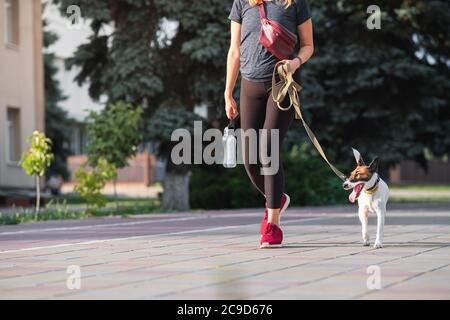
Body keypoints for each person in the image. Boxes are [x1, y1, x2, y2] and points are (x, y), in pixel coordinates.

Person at [224, 0, 314, 248]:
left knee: (268, 149)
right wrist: (228, 92)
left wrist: (295, 63)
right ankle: (277, 198)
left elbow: (308, 46)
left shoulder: (295, 3)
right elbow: (234, 51)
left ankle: (272, 225)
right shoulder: (242, 3)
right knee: (250, 158)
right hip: (249, 85)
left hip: (281, 82)